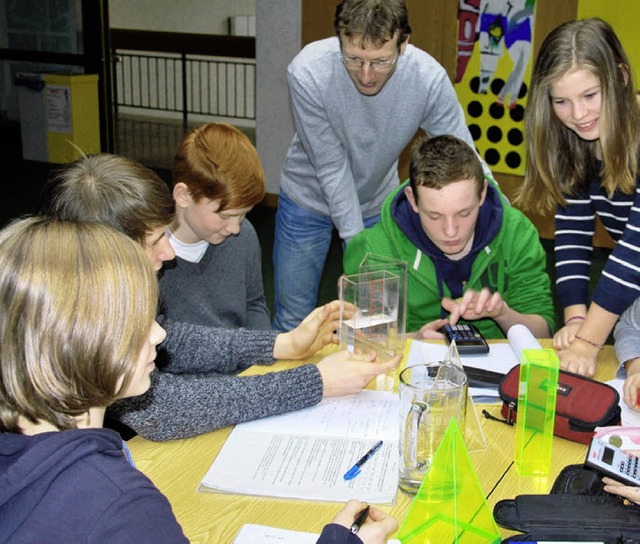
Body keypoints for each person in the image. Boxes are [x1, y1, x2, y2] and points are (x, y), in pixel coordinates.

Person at [0, 217, 398, 544]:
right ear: (83, 343)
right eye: (137, 324)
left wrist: (282, 344)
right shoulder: (121, 506)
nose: (158, 334)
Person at [41, 153, 402, 442]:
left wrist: (281, 344)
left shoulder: (92, 289)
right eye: (154, 242)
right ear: (105, 253)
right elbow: (161, 408)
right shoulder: (66, 324)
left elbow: (173, 338)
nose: (168, 253)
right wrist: (313, 382)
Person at [273, 0, 493, 332]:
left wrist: (505, 217)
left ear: (403, 44)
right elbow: (332, 168)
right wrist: (357, 245)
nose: (366, 75)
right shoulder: (307, 73)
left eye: (380, 61)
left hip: (377, 202)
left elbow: (465, 154)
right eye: (354, 59)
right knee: (294, 320)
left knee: (381, 322)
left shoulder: (427, 79)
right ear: (339, 40)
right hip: (307, 200)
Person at [516, 18, 640, 377]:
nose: (579, 115)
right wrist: (576, 319)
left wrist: (587, 343)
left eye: (590, 95)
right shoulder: (574, 144)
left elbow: (633, 251)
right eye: (562, 102)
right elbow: (571, 237)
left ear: (619, 76)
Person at [344, 134, 553, 339]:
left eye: (464, 213)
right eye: (434, 216)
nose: (451, 231)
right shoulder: (375, 249)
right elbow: (361, 342)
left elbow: (543, 335)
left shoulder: (518, 234)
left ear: (482, 194)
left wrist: (503, 313)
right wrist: (413, 339)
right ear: (412, 200)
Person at [163, 122, 270, 330]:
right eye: (224, 215)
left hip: (242, 359)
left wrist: (262, 350)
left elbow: (254, 304)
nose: (235, 228)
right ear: (183, 196)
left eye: (243, 215)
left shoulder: (244, 235)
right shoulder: (149, 255)